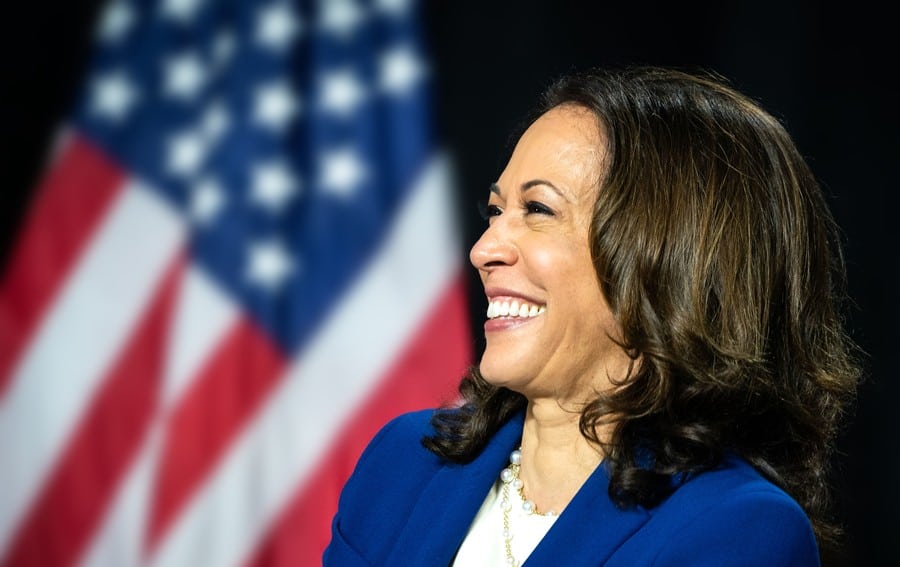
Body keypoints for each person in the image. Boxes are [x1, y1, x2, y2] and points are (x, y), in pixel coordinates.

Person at [322, 66, 859, 566]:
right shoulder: (403, 464)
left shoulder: (739, 529)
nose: (483, 249)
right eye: (495, 210)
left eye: (538, 210)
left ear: (668, 259)